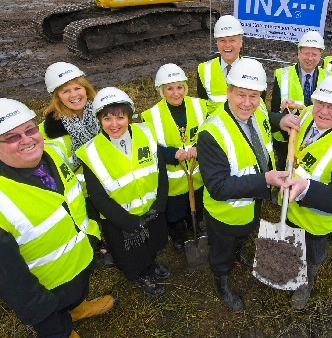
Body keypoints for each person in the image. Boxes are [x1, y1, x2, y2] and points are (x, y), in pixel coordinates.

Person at [0, 98, 114, 338]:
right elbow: (6, 278)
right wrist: (41, 309)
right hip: (45, 289)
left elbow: (74, 200)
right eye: (12, 137)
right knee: (53, 326)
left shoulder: (55, 152)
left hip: (78, 264)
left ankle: (79, 308)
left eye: (29, 130)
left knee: (77, 292)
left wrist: (91, 238)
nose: (27, 140)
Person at [197, 58, 299, 312]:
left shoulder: (259, 110)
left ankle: (239, 252)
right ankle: (222, 280)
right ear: (228, 92)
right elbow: (218, 188)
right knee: (222, 252)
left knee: (245, 232)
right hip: (225, 214)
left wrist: (280, 121)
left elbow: (265, 120)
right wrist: (265, 180)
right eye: (240, 95)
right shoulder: (211, 133)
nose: (247, 103)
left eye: (254, 96)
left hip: (252, 202)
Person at [75, 87, 170, 296]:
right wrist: (128, 221)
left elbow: (160, 169)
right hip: (120, 220)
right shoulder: (90, 152)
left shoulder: (146, 132)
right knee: (131, 254)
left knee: (152, 242)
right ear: (99, 120)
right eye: (107, 119)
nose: (114, 124)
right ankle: (141, 274)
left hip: (151, 209)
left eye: (120, 117)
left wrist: (160, 204)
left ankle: (151, 264)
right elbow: (98, 197)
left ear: (129, 115)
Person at [282, 75, 332, 309]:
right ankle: (290, 270)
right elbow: (294, 118)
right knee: (290, 245)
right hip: (291, 208)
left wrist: (306, 188)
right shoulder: (308, 114)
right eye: (320, 103)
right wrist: (282, 120)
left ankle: (305, 283)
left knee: (312, 256)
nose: (324, 111)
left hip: (316, 221)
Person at [39, 61, 113, 267]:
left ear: (86, 88)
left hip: (104, 172)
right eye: (66, 91)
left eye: (77, 88)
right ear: (57, 96)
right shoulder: (54, 126)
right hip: (77, 182)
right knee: (88, 215)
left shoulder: (101, 110)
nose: (74, 95)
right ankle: (98, 247)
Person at [141, 64, 208, 251]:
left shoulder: (199, 106)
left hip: (197, 174)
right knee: (175, 212)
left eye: (179, 87)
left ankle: (196, 226)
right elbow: (149, 148)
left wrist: (198, 148)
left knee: (197, 205)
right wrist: (172, 154)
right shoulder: (151, 116)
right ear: (162, 90)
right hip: (172, 180)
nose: (176, 93)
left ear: (185, 87)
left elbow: (211, 134)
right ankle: (178, 236)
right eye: (170, 88)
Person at [271, 30, 330, 170]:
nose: (310, 58)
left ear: (320, 56)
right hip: (286, 140)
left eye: (314, 54)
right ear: (299, 53)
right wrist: (282, 110)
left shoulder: (328, 78)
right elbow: (273, 112)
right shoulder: (282, 75)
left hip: (314, 139)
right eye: (306, 53)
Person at [197, 15, 245, 115]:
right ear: (217, 43)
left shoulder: (253, 69)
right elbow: (203, 105)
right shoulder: (204, 70)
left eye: (232, 40)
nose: (227, 45)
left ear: (241, 43)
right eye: (222, 40)